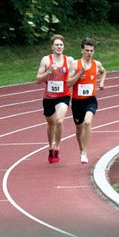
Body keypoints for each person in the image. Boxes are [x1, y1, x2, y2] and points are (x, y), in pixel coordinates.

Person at [36, 34, 75, 163]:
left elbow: (75, 76)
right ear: (52, 47)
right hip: (48, 97)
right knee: (51, 124)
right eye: (56, 45)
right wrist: (48, 72)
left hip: (63, 96)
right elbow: (37, 80)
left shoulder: (69, 60)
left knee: (59, 121)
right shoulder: (46, 60)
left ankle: (57, 147)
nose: (59, 47)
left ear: (64, 47)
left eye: (61, 45)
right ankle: (50, 146)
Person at [67, 38, 106, 164]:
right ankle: (81, 149)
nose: (89, 53)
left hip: (91, 100)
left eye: (91, 51)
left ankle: (84, 152)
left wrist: (102, 82)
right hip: (77, 102)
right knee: (79, 130)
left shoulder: (97, 64)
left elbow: (104, 72)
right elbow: (68, 83)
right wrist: (80, 73)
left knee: (87, 123)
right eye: (87, 50)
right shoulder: (75, 64)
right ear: (82, 50)